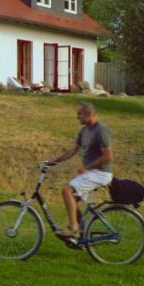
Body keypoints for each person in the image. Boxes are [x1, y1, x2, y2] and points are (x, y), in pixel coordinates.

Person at [46, 102, 112, 238]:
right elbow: (73, 150)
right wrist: (54, 161)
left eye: (79, 114)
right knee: (72, 200)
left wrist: (87, 167)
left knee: (67, 190)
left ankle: (73, 228)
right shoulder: (84, 130)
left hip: (101, 173)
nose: (77, 117)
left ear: (88, 114)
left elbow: (108, 156)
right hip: (92, 172)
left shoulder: (101, 130)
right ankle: (82, 233)